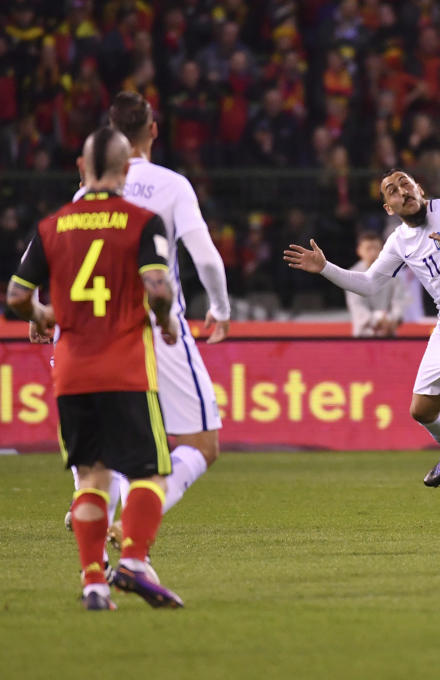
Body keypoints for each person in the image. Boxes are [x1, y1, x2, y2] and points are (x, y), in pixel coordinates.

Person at [7, 127, 184, 610]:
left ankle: (93, 585)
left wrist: (42, 317)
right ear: (127, 171)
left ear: (81, 169)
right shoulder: (142, 221)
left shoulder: (52, 226)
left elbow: (18, 295)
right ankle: (131, 560)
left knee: (91, 479)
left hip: (72, 373)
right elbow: (160, 288)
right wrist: (166, 322)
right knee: (150, 474)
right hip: (125, 369)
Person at [42, 91, 231, 543]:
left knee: (103, 443)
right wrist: (220, 310)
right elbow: (205, 258)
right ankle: (133, 522)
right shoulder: (172, 185)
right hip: (154, 324)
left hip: (85, 332)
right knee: (201, 443)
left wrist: (40, 312)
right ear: (153, 130)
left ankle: (92, 503)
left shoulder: (85, 192)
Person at [285, 169, 440, 528]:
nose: (401, 191)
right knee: (421, 410)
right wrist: (325, 267)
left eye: (405, 183)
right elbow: (370, 284)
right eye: (392, 190)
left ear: (419, 189)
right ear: (389, 207)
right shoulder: (399, 241)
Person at [346, 231, 410, 337]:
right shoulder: (351, 275)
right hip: (363, 335)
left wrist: (392, 319)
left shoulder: (394, 274)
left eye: (376, 248)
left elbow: (399, 301)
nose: (373, 252)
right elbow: (357, 307)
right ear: (359, 251)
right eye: (368, 248)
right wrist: (378, 319)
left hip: (389, 333)